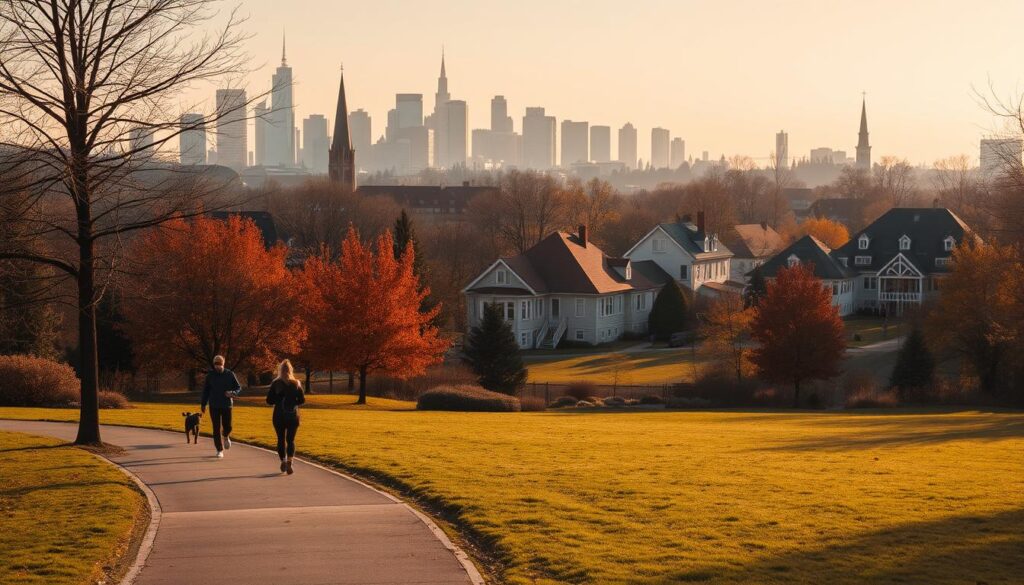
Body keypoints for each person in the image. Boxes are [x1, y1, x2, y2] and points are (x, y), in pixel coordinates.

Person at [266, 359, 305, 474]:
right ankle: (290, 460)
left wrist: (278, 400)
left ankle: (283, 460)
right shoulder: (296, 383)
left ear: (280, 370)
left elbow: (269, 401)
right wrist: (293, 403)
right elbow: (302, 400)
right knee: (291, 440)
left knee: (281, 439)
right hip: (293, 416)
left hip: (279, 415)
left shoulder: (275, 383)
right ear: (291, 370)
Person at [200, 355, 241, 458]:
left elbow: (238, 387)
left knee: (228, 426)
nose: (218, 367)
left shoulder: (230, 374)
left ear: (223, 364)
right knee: (216, 428)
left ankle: (226, 436)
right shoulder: (210, 376)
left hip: (227, 405)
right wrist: (203, 404)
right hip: (214, 405)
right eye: (216, 364)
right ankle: (219, 449)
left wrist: (232, 392)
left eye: (219, 364)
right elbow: (206, 391)